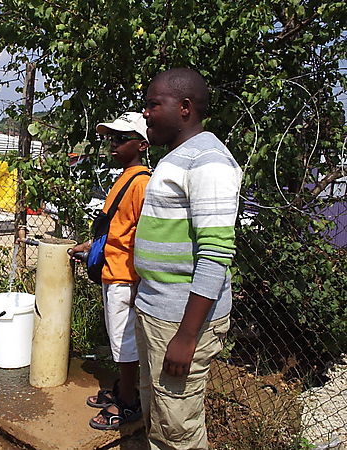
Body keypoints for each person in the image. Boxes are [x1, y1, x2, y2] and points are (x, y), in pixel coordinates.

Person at [134, 68, 242, 449]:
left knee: (176, 429)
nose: (145, 113)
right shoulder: (178, 158)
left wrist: (187, 335)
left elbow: (215, 254)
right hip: (157, 309)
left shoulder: (209, 161)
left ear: (184, 108)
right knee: (160, 414)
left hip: (180, 320)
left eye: (153, 104)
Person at [69, 112, 151, 430]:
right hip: (113, 270)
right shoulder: (125, 178)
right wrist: (91, 248)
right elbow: (117, 230)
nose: (113, 145)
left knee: (125, 342)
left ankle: (129, 402)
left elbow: (145, 236)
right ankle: (124, 388)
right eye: (111, 139)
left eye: (121, 139)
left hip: (125, 277)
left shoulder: (141, 183)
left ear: (142, 145)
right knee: (120, 340)